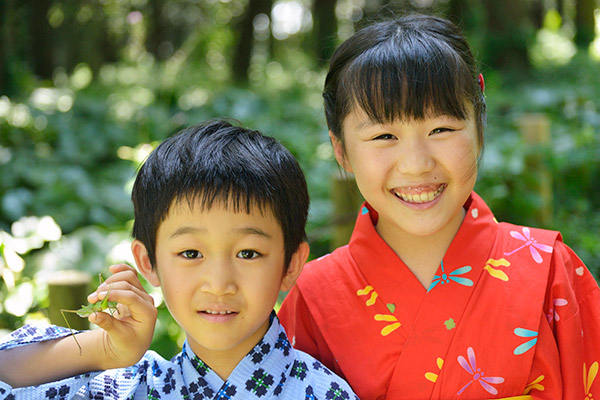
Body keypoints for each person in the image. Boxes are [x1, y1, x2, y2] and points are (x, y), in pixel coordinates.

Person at [278, 14, 600, 399]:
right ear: (341, 150)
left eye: (441, 129)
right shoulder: (314, 298)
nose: (416, 164)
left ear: (479, 127)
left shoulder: (549, 271)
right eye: (384, 136)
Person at [0, 120, 358, 400]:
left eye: (248, 253)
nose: (218, 283)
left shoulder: (325, 393)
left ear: (291, 264)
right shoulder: (127, 387)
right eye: (191, 253)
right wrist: (106, 351)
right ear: (148, 261)